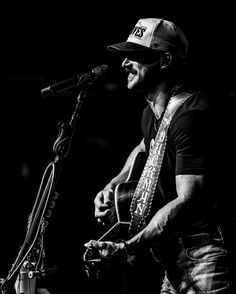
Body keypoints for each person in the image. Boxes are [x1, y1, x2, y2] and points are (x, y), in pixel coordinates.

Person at [84, 17, 231, 293]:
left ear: (164, 60)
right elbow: (144, 148)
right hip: (173, 256)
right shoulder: (151, 114)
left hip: (205, 254)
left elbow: (188, 200)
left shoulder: (190, 115)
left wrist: (125, 247)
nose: (124, 64)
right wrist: (112, 185)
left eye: (135, 56)